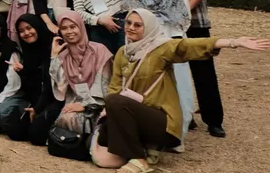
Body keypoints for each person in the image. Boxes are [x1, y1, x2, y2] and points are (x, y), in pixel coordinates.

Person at [91, 10, 270, 171]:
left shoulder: (161, 48)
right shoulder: (124, 52)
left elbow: (189, 46)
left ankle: (140, 159)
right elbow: (115, 86)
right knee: (107, 124)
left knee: (115, 101)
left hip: (163, 122)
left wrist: (233, 42)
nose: (131, 28)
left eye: (138, 25)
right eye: (128, 23)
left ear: (149, 27)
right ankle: (147, 147)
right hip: (137, 112)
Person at [154, 0, 225, 138]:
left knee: (203, 70)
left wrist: (182, 11)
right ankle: (185, 115)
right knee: (173, 71)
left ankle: (213, 119)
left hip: (195, 21)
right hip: (166, 25)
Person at [123, 0, 192, 147]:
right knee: (149, 92)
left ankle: (177, 136)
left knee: (177, 89)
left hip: (170, 43)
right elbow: (131, 19)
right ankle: (152, 135)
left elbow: (184, 20)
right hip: (145, 47)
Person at [48, 11, 112, 139]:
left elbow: (104, 85)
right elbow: (60, 86)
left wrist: (84, 105)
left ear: (81, 27)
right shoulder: (64, 56)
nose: (69, 31)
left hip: (99, 104)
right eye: (64, 28)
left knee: (72, 119)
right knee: (64, 120)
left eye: (73, 27)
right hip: (73, 102)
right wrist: (54, 57)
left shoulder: (100, 50)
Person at [6, 14, 57, 144]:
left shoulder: (53, 47)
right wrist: (22, 72)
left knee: (36, 136)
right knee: (14, 131)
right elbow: (31, 86)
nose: (26, 33)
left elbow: (49, 84)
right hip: (36, 99)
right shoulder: (28, 50)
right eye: (21, 31)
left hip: (54, 99)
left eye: (29, 28)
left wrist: (38, 108)